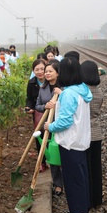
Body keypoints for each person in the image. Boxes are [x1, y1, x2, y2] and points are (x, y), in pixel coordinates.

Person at [44, 57, 92, 213]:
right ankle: (83, 207)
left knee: (72, 178)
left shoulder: (69, 94)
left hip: (70, 141)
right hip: (81, 140)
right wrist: (62, 94)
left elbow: (65, 121)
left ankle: (77, 212)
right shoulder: (82, 89)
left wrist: (50, 126)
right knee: (81, 175)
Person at [35, 60, 63, 195]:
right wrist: (45, 106)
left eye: (50, 71)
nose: (47, 73)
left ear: (58, 73)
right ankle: (58, 184)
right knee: (52, 155)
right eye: (46, 71)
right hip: (48, 125)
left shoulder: (64, 88)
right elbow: (37, 105)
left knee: (64, 154)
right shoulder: (43, 89)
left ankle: (68, 181)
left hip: (63, 126)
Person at [81, 60, 104, 209]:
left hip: (84, 133)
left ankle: (87, 199)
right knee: (96, 167)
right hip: (96, 132)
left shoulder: (83, 92)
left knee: (86, 168)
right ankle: (97, 198)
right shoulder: (98, 91)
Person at [26, 58, 48, 172]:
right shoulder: (32, 83)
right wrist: (28, 107)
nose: (40, 72)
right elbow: (29, 99)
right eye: (37, 70)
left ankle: (53, 159)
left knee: (51, 136)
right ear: (33, 71)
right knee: (39, 136)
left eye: (42, 69)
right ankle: (42, 162)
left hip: (51, 111)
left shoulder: (51, 81)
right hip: (38, 112)